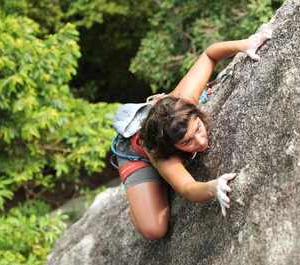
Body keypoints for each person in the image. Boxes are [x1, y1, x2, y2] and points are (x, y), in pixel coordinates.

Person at [111, 26, 273, 240]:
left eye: (198, 128)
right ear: (173, 147)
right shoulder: (162, 152)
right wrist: (212, 187)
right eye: (187, 142)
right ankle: (137, 202)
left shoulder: (185, 101)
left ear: (195, 113)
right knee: (154, 229)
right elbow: (187, 188)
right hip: (134, 152)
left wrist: (245, 45)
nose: (200, 141)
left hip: (162, 111)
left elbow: (209, 54)